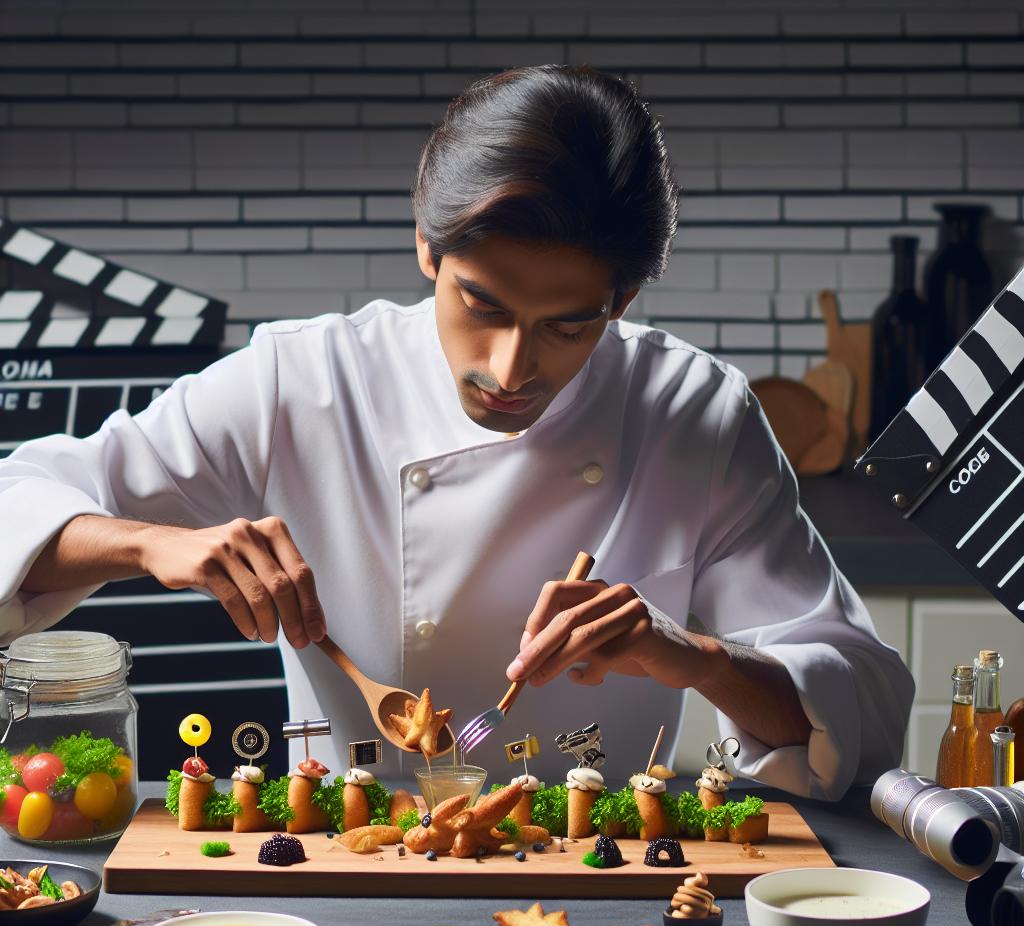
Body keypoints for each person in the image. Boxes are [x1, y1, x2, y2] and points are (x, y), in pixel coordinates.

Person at [0, 65, 913, 797]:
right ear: (427, 248)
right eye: (481, 302)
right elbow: (18, 505)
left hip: (596, 865)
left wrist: (691, 657)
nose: (512, 369)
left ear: (622, 300)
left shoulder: (693, 412)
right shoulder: (304, 381)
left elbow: (861, 714)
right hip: (340, 860)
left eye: (568, 323)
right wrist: (151, 543)